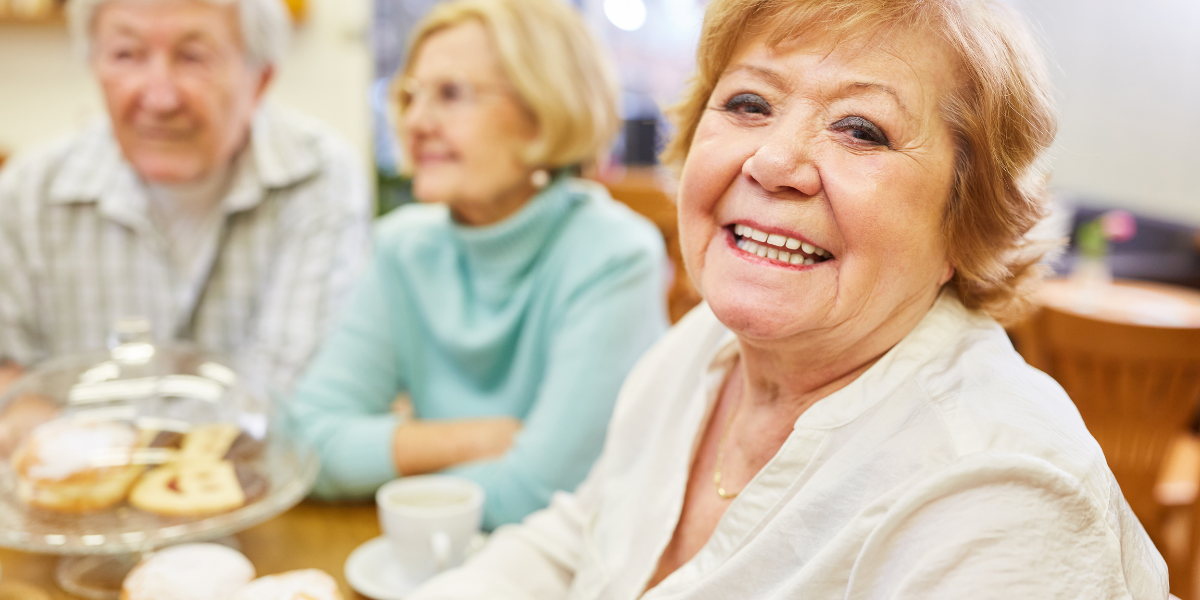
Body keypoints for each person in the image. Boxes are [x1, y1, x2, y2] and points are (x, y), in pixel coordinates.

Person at [407, 0, 1168, 597]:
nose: (774, 162)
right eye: (748, 104)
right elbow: (581, 542)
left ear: (963, 226)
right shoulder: (701, 345)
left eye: (861, 130)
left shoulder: (998, 496)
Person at [287, 0, 668, 529]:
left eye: (451, 94)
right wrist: (484, 438)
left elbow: (539, 491)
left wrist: (380, 464)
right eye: (409, 95)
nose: (415, 122)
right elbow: (302, 445)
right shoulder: (403, 247)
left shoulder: (615, 255)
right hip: (433, 560)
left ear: (544, 109)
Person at [0, 0, 371, 406]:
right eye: (126, 54)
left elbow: (290, 391)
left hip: (254, 467)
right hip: (70, 467)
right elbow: (10, 377)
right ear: (93, 65)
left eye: (193, 57)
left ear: (261, 80)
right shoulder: (27, 192)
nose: (160, 98)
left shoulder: (318, 179)